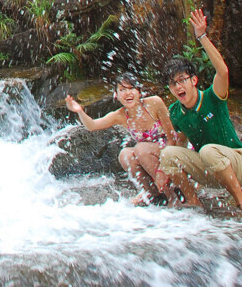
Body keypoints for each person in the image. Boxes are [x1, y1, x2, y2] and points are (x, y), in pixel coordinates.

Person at [159, 8, 242, 216]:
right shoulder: (176, 112)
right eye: (173, 84)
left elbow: (223, 71)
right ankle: (194, 202)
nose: (178, 87)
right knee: (168, 154)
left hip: (238, 163)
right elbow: (180, 143)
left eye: (182, 80)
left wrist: (202, 36)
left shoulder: (212, 97)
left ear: (194, 80)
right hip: (210, 169)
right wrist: (164, 172)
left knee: (207, 150)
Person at [64, 75, 181, 205]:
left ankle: (171, 195)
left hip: (169, 154)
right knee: (125, 155)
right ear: (116, 95)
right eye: (122, 90)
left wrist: (162, 171)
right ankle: (152, 193)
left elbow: (172, 138)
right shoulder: (120, 115)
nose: (127, 93)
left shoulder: (154, 103)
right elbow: (92, 125)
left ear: (139, 92)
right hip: (146, 157)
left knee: (140, 149)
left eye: (131, 88)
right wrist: (79, 111)